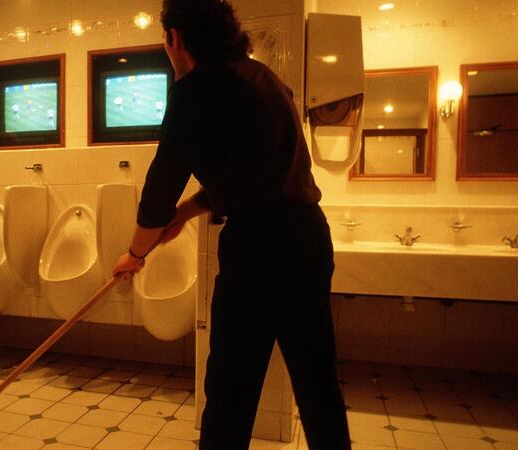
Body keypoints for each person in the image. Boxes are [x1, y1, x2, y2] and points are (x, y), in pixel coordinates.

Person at [112, 1, 351, 448]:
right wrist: (185, 214)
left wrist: (135, 254)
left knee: (230, 389)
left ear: (174, 39)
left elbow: (160, 188)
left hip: (257, 248)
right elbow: (251, 173)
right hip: (307, 237)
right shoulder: (265, 79)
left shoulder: (195, 89)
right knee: (317, 381)